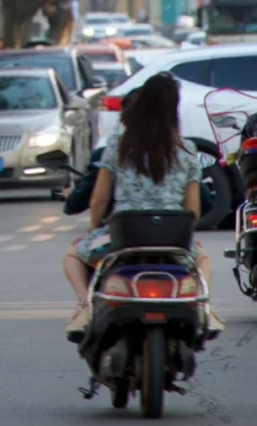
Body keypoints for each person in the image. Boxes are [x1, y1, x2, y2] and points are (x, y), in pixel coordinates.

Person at [62, 72, 223, 336]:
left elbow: (99, 199)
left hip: (125, 236)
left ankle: (84, 305)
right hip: (173, 238)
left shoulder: (118, 145)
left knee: (72, 256)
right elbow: (193, 209)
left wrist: (93, 229)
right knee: (203, 260)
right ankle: (204, 306)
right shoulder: (187, 149)